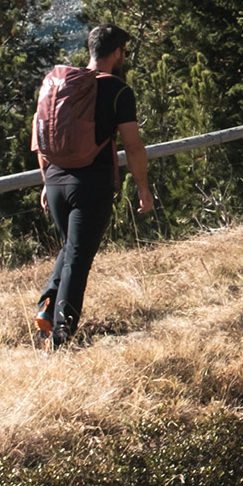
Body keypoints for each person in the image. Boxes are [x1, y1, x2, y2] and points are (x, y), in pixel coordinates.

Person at [35, 23, 153, 348]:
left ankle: (48, 304)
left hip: (56, 179)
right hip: (91, 184)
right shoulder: (118, 91)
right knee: (78, 259)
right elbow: (132, 145)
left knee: (71, 249)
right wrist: (143, 187)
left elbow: (42, 138)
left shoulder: (62, 86)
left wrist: (46, 182)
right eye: (124, 52)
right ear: (116, 53)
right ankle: (62, 340)